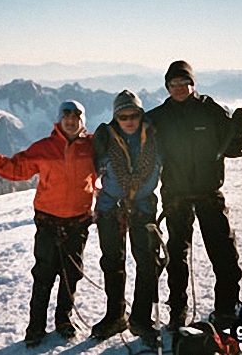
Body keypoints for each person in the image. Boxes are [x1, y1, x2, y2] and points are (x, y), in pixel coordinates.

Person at [0, 100, 95, 347]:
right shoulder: (45, 147)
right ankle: (36, 327)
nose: (71, 121)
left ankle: (64, 320)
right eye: (67, 117)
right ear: (59, 120)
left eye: (76, 117)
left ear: (82, 121)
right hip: (48, 221)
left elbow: (107, 169)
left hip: (78, 221)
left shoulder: (92, 147)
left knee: (71, 274)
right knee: (44, 275)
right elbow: (18, 168)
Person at [146, 60, 242, 331]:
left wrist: (238, 130)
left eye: (184, 82)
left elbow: (232, 147)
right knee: (176, 257)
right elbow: (138, 143)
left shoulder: (211, 110)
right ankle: (177, 312)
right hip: (176, 195)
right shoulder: (157, 117)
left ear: (193, 83)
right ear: (167, 86)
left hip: (208, 192)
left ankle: (227, 308)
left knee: (224, 252)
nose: (179, 88)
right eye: (173, 84)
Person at [90, 90, 163, 347]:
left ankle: (141, 318)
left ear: (141, 115)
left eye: (134, 114)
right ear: (115, 117)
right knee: (112, 261)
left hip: (143, 207)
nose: (129, 120)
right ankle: (115, 316)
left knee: (147, 261)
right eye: (123, 116)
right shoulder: (105, 139)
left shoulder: (155, 136)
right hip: (111, 207)